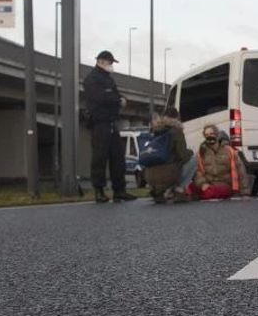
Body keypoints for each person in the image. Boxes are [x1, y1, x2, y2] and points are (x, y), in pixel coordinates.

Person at [83, 50, 135, 203]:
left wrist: (121, 98)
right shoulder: (92, 79)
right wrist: (118, 100)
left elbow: (114, 94)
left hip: (112, 122)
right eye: (110, 63)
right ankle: (99, 191)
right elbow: (101, 97)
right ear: (101, 62)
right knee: (99, 157)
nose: (112, 66)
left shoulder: (108, 79)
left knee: (117, 157)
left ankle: (119, 190)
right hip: (99, 123)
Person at [144, 107, 195, 204]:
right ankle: (178, 190)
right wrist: (190, 152)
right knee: (194, 158)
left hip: (149, 176)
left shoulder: (154, 130)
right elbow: (183, 156)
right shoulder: (176, 131)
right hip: (168, 175)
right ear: (177, 117)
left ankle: (158, 191)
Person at [189, 124, 248, 200]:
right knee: (189, 188)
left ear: (217, 134)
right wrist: (203, 184)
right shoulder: (201, 151)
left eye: (211, 134)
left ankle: (199, 195)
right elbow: (197, 171)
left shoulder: (229, 151)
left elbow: (241, 171)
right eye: (206, 135)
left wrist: (245, 192)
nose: (209, 136)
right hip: (207, 184)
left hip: (224, 184)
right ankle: (198, 194)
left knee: (210, 192)